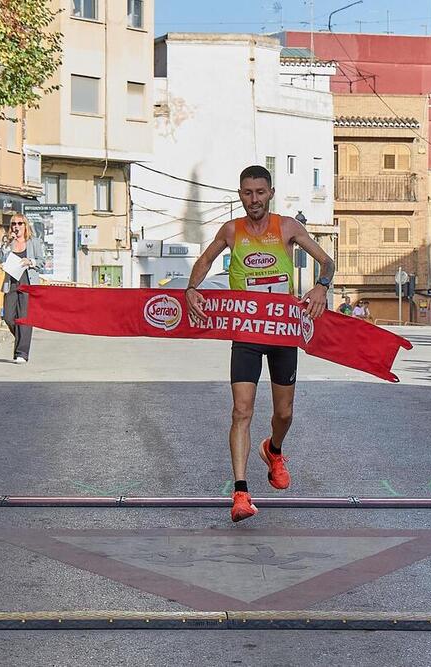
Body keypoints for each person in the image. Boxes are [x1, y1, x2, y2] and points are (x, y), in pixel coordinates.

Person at [185, 165, 335, 522]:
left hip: (283, 334)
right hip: (247, 333)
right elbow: (205, 261)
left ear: (271, 193)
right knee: (241, 410)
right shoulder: (231, 231)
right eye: (248, 193)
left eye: (260, 192)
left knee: (284, 413)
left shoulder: (286, 227)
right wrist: (191, 288)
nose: (254, 199)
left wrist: (321, 286)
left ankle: (274, 449)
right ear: (240, 194)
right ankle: (240, 492)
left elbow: (327, 261)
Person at [0, 214, 45, 363]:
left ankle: (21, 353)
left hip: (27, 281)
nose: (16, 226)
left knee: (24, 317)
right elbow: (0, 258)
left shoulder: (33, 242)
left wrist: (30, 261)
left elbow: (42, 261)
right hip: (11, 282)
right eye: (13, 224)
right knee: (9, 317)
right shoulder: (8, 243)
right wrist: (7, 244)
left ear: (25, 226)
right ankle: (21, 339)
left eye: (20, 223)